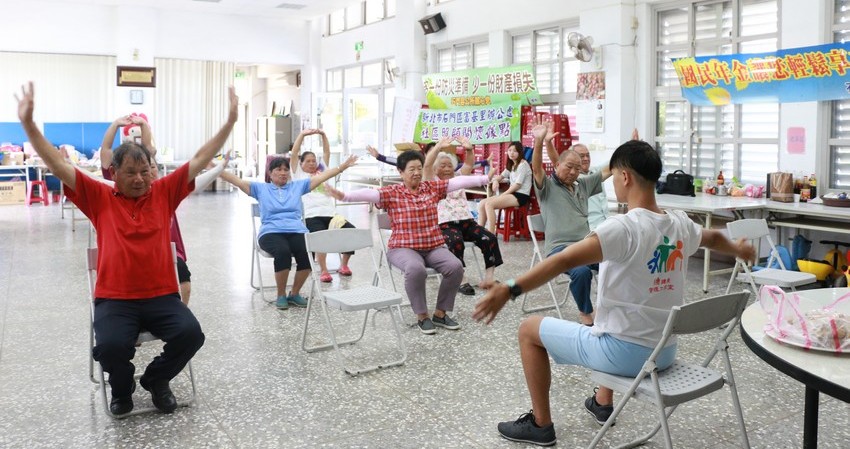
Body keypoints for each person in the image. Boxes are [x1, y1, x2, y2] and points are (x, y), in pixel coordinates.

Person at [472, 138, 756, 447]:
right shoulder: (680, 224)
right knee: (615, 318)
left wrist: (510, 289)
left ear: (624, 177)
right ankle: (601, 402)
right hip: (664, 351)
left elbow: (563, 259)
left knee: (529, 329)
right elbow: (713, 237)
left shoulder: (623, 227)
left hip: (624, 354)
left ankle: (541, 425)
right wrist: (737, 247)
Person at [15, 82, 238, 416]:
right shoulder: (100, 197)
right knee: (109, 346)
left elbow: (200, 158)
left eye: (144, 171)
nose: (139, 179)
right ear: (113, 173)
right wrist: (30, 126)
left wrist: (231, 121)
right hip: (115, 299)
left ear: (152, 171)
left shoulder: (163, 193)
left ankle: (157, 380)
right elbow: (60, 167)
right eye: (130, 172)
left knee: (191, 334)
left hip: (162, 296)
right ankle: (122, 389)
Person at [327, 150, 489, 334]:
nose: (417, 173)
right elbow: (371, 195)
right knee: (415, 268)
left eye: (419, 168)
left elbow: (456, 182)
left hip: (433, 246)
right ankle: (422, 316)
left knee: (455, 266)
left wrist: (484, 179)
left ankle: (440, 313)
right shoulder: (392, 192)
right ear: (401, 172)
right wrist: (344, 197)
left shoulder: (431, 188)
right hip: (403, 247)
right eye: (411, 169)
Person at [99, 115, 229, 305]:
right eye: (135, 170)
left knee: (182, 274)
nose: (146, 172)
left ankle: (181, 309)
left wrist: (143, 124)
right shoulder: (116, 189)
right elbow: (106, 151)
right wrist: (116, 125)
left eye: (150, 168)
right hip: (133, 254)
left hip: (168, 251)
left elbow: (150, 151)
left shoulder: (164, 190)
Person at [219, 151, 358, 309]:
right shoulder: (260, 188)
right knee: (282, 251)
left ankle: (295, 293)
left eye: (285, 170)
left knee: (308, 251)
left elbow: (322, 177)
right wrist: (217, 168)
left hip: (296, 230)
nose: (283, 173)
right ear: (270, 173)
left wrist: (342, 167)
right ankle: (281, 295)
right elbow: (235, 180)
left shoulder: (297, 186)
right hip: (270, 232)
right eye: (278, 169)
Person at [532, 118, 611, 326]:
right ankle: (586, 314)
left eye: (578, 168)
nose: (574, 172)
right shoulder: (547, 187)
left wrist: (631, 149)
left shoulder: (582, 185)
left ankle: (612, 308)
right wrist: (539, 141)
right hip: (560, 250)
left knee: (614, 261)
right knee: (581, 271)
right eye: (569, 167)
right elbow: (536, 168)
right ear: (557, 164)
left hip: (585, 245)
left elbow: (607, 171)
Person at [423, 136, 502, 295]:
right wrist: (438, 147)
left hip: (467, 222)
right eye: (443, 166)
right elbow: (426, 165)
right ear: (436, 169)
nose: (447, 169)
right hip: (445, 224)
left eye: (449, 165)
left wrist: (469, 149)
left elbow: (468, 164)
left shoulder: (459, 177)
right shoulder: (433, 181)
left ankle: (489, 278)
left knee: (489, 238)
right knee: (455, 241)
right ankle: (462, 278)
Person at [290, 128, 355, 283]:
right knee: (320, 237)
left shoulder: (322, 171)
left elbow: (327, 152)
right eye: (308, 161)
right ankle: (324, 270)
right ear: (301, 164)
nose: (312, 163)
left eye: (314, 160)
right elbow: (294, 153)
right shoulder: (298, 175)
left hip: (331, 214)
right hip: (312, 215)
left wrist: (324, 135)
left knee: (351, 231)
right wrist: (303, 135)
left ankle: (343, 265)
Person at [547, 142, 608, 231]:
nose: (586, 159)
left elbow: (614, 164)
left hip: (605, 223)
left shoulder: (595, 171)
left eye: (588, 155)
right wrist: (548, 142)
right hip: (587, 229)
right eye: (582, 156)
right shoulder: (571, 177)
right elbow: (557, 162)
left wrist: (632, 145)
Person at [477, 141, 532, 234]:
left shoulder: (523, 164)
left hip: (521, 195)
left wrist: (503, 195)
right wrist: (495, 181)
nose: (511, 153)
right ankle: (478, 232)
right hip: (512, 194)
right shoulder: (511, 165)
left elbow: (517, 185)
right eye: (510, 150)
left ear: (520, 153)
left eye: (515, 151)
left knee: (489, 204)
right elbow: (500, 177)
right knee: (482, 203)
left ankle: (491, 235)